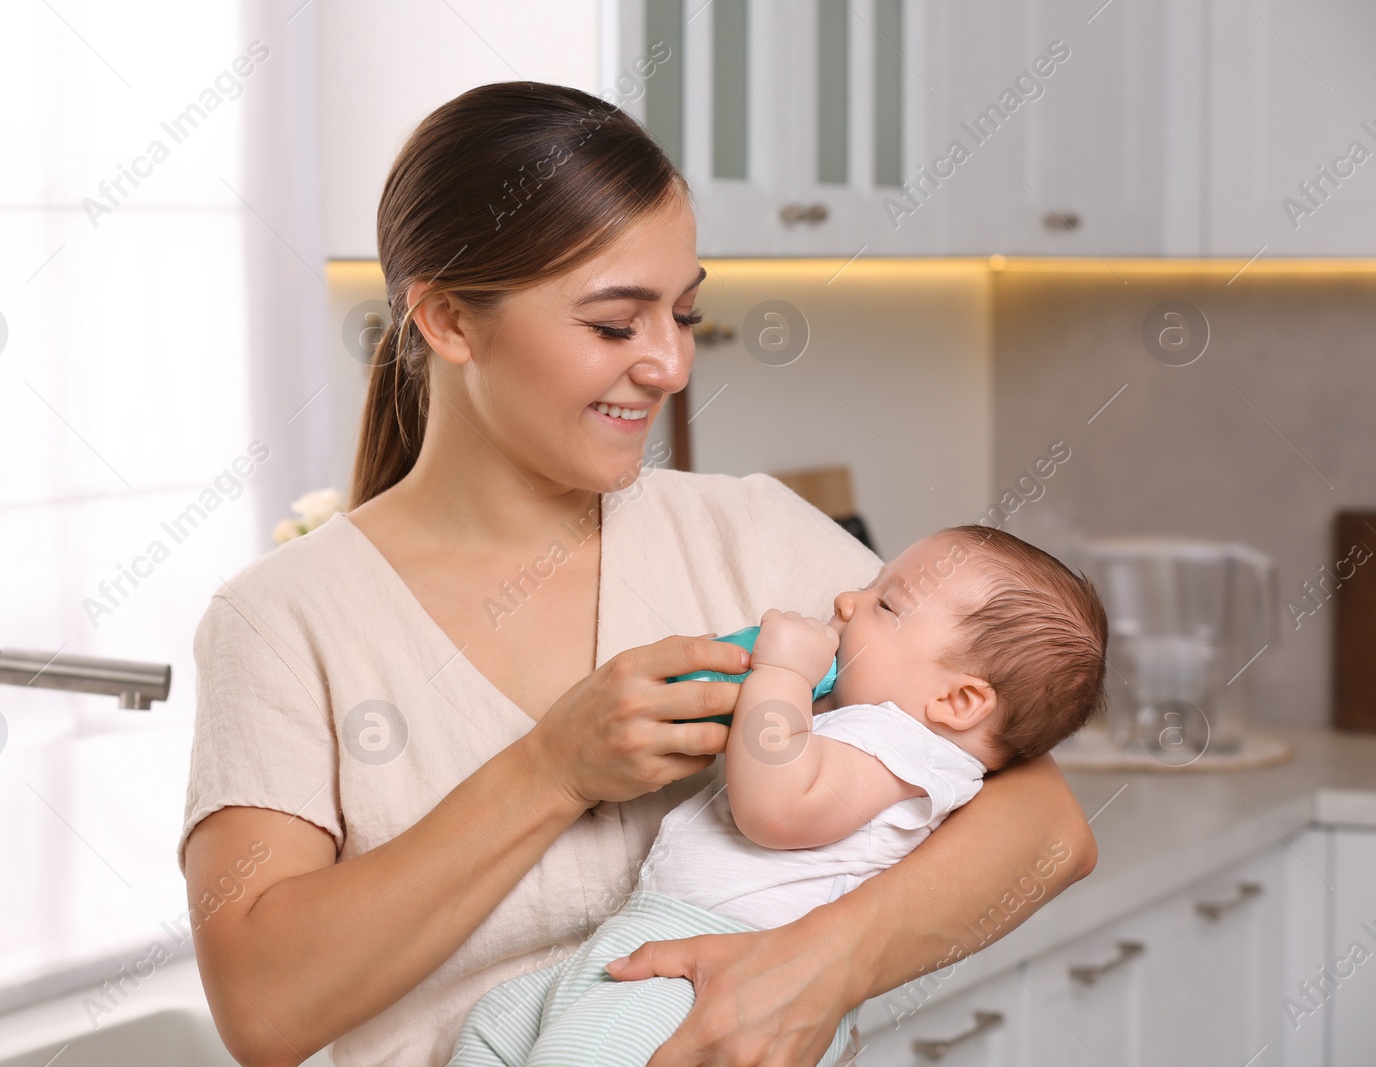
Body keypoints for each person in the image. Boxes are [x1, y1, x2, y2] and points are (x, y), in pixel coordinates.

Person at [178, 80, 1098, 1067]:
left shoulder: (750, 534)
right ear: (447, 319)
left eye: (685, 314)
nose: (667, 364)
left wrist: (823, 964)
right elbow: (266, 1010)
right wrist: (550, 769)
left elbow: (1046, 826)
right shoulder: (283, 619)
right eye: (616, 324)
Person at [448, 525, 1107, 1066]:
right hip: (651, 941)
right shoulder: (866, 723)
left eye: (887, 603)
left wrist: (783, 673)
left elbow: (777, 807)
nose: (848, 600)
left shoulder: (907, 750)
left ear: (959, 701)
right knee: (496, 1025)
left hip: (712, 971)